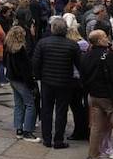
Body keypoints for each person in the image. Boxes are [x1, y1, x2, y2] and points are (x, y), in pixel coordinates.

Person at [80, 30, 113, 159]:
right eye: (105, 37)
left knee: (96, 128)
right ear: (99, 40)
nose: (107, 38)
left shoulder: (86, 56)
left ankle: (95, 158)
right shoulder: (109, 55)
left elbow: (83, 77)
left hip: (94, 96)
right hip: (110, 97)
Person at [32, 18, 79, 149]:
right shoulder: (72, 45)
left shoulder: (43, 43)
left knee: (46, 109)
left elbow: (36, 62)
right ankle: (58, 140)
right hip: (65, 82)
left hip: (47, 81)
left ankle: (47, 138)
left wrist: (38, 76)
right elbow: (79, 64)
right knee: (61, 111)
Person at [4, 25, 39, 141]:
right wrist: (32, 85)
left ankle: (19, 129)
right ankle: (27, 131)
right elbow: (25, 70)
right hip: (20, 80)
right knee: (30, 104)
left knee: (19, 104)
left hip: (12, 78)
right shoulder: (20, 50)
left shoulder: (8, 47)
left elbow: (4, 63)